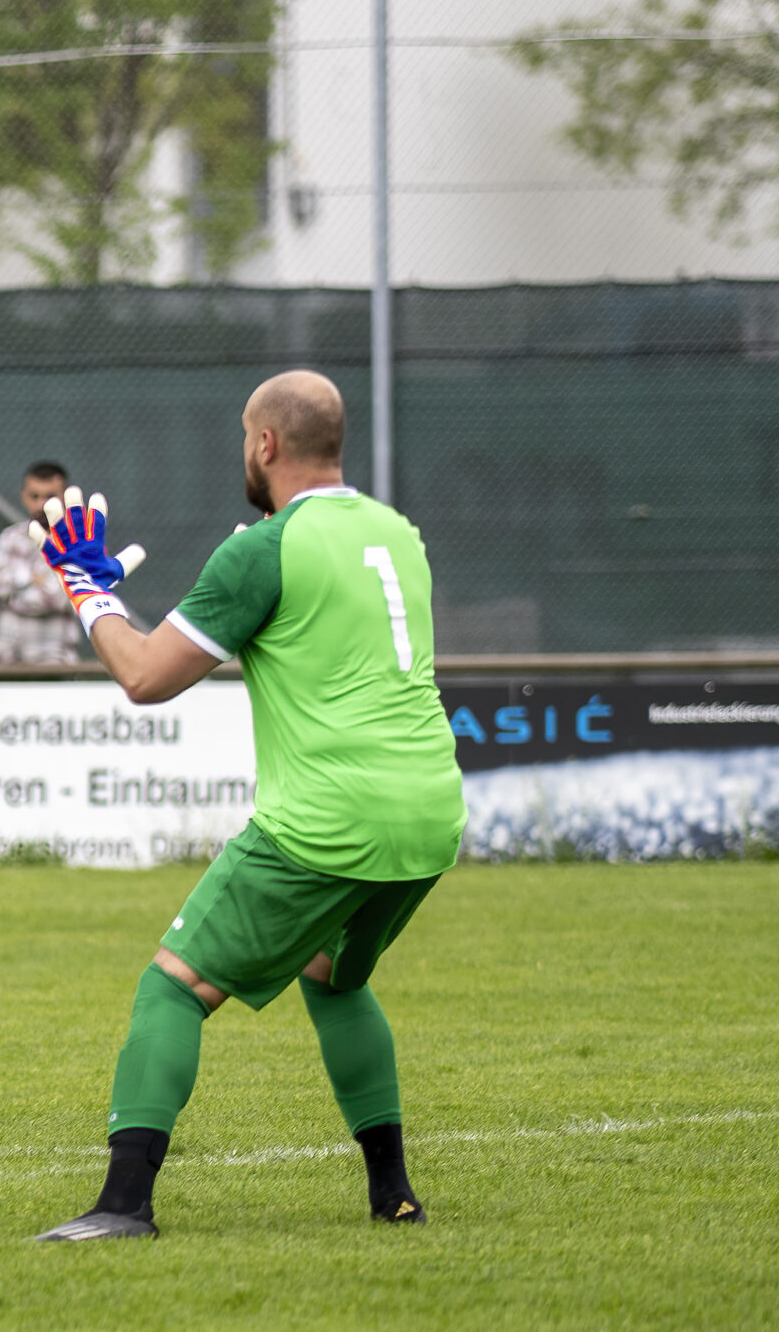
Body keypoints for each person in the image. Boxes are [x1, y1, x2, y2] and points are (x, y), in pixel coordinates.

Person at [28, 370, 466, 1241]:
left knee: (174, 986)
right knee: (335, 976)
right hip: (430, 810)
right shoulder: (398, 533)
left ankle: (123, 1205)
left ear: (264, 444)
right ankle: (394, 1195)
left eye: (243, 437)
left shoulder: (261, 550)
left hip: (325, 820)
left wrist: (89, 589)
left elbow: (146, 677)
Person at [0, 461, 80, 665]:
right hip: (6, 662)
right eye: (34, 496)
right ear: (24, 496)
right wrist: (27, 579)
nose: (40, 504)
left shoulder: (77, 542)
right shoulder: (11, 537)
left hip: (54, 665)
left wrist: (8, 595)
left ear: (65, 497)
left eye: (49, 497)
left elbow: (56, 599)